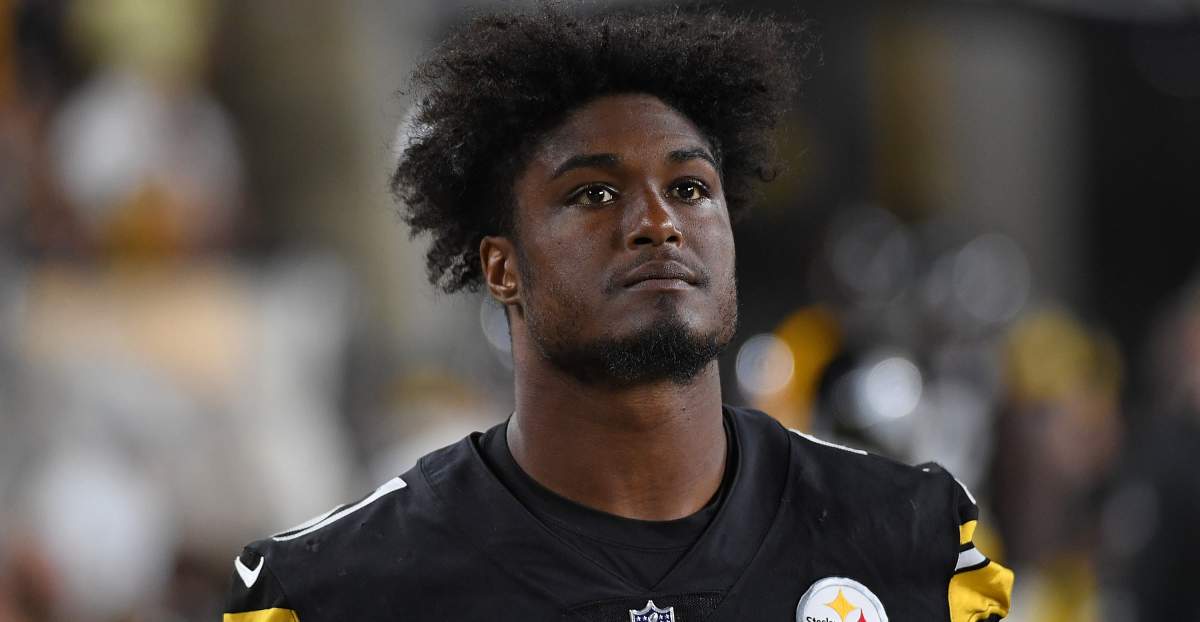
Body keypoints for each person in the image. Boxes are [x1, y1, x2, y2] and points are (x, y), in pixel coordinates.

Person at [223, 6, 1012, 621]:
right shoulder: (334, 588)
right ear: (501, 267)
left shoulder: (913, 537)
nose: (657, 222)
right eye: (594, 193)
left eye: (690, 188)